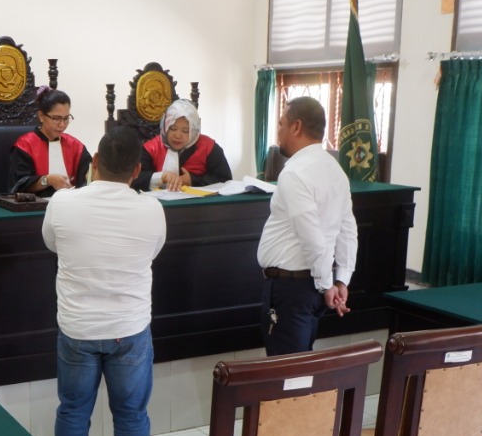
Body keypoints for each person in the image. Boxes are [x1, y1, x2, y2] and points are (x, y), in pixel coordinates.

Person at [42, 126, 166, 436]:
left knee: (74, 412)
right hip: (129, 329)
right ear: (136, 170)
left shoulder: (62, 202)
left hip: (78, 329)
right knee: (131, 415)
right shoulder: (152, 209)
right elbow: (154, 250)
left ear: (94, 163)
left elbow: (52, 243)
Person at [256, 96, 358, 356]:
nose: (278, 131)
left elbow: (312, 238)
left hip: (292, 290)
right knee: (301, 368)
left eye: (281, 123)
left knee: (287, 374)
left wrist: (328, 286)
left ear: (296, 127)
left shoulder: (294, 173)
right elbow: (348, 231)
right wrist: (341, 281)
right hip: (313, 286)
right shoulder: (335, 170)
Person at [134, 99, 232, 192]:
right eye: (172, 128)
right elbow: (134, 179)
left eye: (185, 131)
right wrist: (162, 177)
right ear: (165, 127)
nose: (178, 135)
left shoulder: (209, 147)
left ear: (194, 131)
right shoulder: (151, 148)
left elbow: (225, 180)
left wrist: (192, 180)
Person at [8, 87, 91, 195]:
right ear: (41, 116)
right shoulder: (25, 145)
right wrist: (47, 180)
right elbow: (18, 186)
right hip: (35, 206)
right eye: (56, 118)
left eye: (66, 118)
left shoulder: (75, 146)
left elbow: (88, 179)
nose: (62, 125)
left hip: (71, 205)